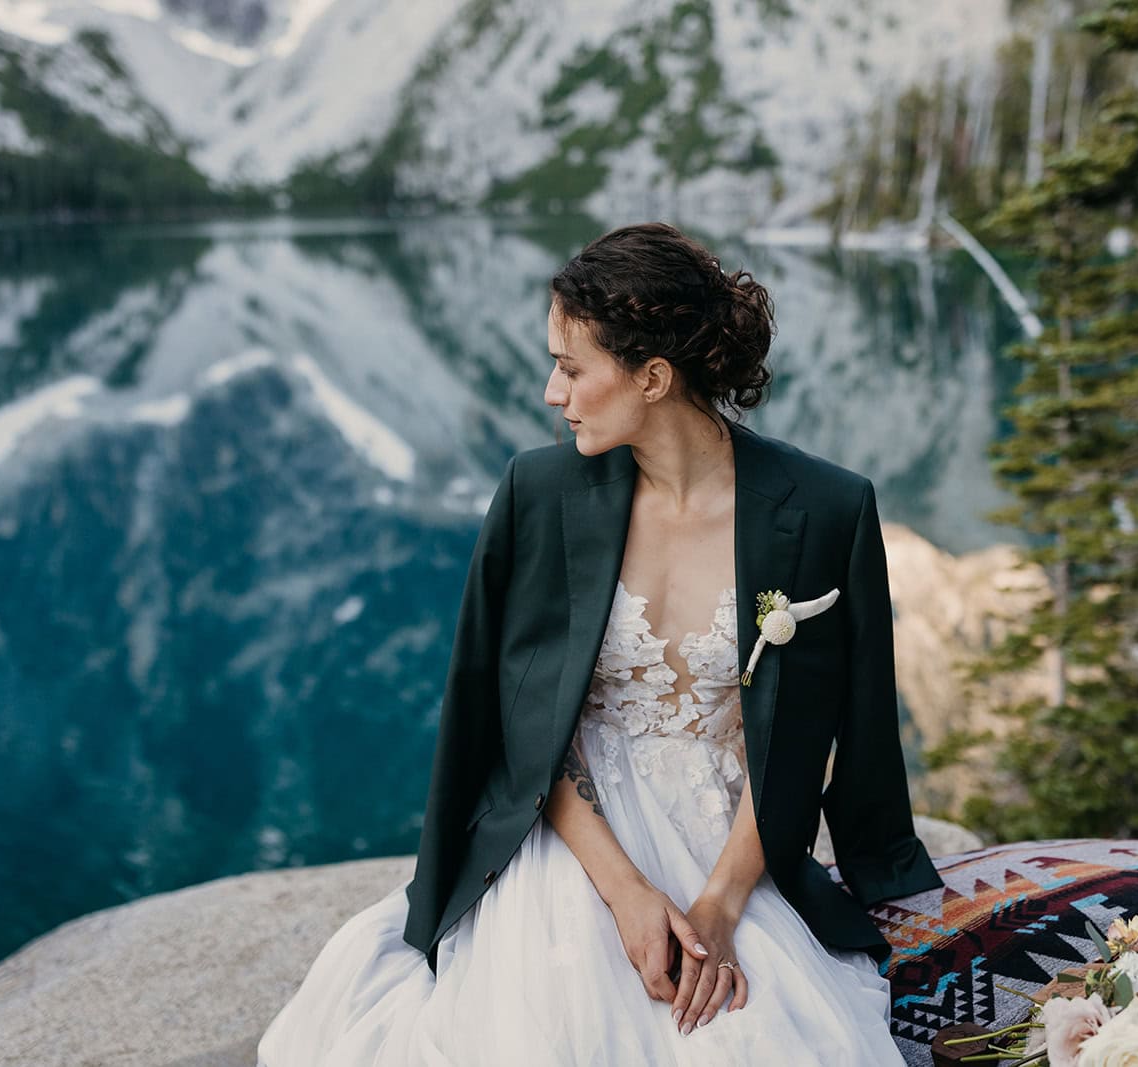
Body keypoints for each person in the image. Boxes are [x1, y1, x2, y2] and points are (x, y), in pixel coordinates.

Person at [257, 222, 940, 1066]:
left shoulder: (829, 509)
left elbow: (818, 734)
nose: (553, 393)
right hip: (571, 832)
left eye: (573, 368)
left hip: (731, 848)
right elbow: (516, 722)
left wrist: (722, 905)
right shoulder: (537, 495)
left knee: (757, 1038)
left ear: (653, 377)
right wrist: (626, 894)